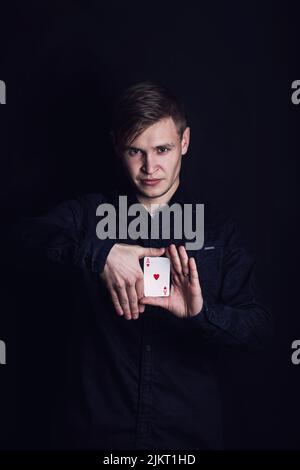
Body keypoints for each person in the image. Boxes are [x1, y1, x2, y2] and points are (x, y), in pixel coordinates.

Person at [14, 81, 271, 450]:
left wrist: (202, 313)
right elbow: (16, 242)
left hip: (188, 441)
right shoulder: (88, 216)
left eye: (162, 149)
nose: (150, 167)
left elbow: (258, 329)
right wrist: (100, 253)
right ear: (118, 145)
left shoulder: (217, 229)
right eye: (136, 151)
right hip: (95, 436)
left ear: (184, 143)